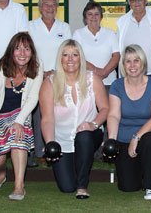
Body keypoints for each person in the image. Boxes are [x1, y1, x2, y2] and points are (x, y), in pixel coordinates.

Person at [39, 39, 109, 199]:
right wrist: (50, 143)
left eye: (75, 55)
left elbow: (105, 109)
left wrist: (93, 124)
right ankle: (76, 174)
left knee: (83, 136)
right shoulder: (49, 84)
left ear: (81, 58)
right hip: (62, 141)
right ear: (60, 59)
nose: (70, 59)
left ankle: (83, 186)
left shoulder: (93, 79)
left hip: (89, 135)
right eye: (65, 55)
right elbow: (47, 119)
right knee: (67, 187)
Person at [0, 33, 43, 200]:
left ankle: (19, 186)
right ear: (11, 51)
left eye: (27, 49)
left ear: (32, 51)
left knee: (18, 137)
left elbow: (33, 98)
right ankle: (2, 172)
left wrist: (19, 122)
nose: (22, 53)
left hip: (20, 114)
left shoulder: (37, 66)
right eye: (18, 48)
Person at [106, 44, 151, 200]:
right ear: (123, 65)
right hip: (123, 138)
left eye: (136, 60)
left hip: (147, 135)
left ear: (143, 62)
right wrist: (111, 139)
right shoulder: (117, 86)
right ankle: (139, 171)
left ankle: (150, 187)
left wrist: (136, 137)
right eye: (128, 61)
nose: (132, 65)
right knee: (128, 187)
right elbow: (113, 115)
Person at [28, 0, 72, 167]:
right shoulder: (30, 26)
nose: (50, 8)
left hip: (59, 76)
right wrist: (42, 71)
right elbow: (27, 51)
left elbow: (67, 51)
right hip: (35, 75)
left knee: (59, 112)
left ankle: (59, 147)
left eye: (53, 4)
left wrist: (55, 71)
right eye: (46, 4)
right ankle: (38, 151)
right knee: (37, 114)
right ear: (40, 7)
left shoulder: (65, 27)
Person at [116, 0, 151, 81]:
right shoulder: (122, 22)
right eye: (133, 0)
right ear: (129, 2)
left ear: (146, 0)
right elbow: (118, 50)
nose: (136, 3)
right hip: (131, 74)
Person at [73, 1, 120, 88]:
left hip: (109, 83)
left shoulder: (110, 33)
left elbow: (116, 56)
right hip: (86, 83)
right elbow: (77, 56)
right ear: (85, 18)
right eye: (90, 14)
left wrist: (105, 72)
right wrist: (96, 70)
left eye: (96, 14)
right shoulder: (78, 34)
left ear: (101, 17)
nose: (93, 17)